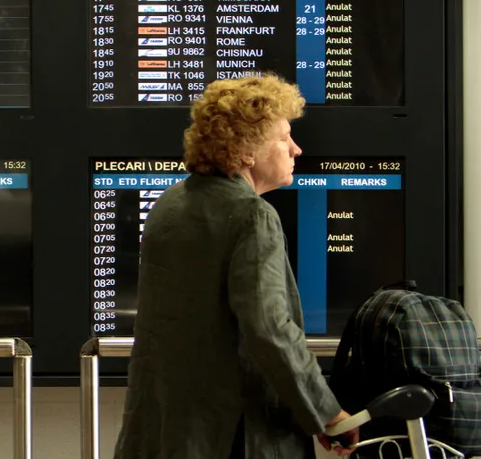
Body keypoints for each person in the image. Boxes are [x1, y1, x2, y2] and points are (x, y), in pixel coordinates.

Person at [112, 74, 359, 459]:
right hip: (234, 436)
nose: (295, 148)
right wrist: (325, 413)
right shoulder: (251, 215)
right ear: (246, 151)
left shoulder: (169, 204)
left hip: (162, 432)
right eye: (283, 138)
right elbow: (270, 329)